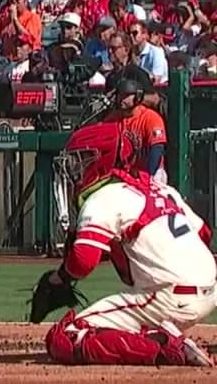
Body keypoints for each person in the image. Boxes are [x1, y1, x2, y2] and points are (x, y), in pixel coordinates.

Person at [39, 121, 215, 366]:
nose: (75, 170)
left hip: (166, 298)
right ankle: (161, 336)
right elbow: (204, 233)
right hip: (209, 293)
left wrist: (60, 277)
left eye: (83, 159)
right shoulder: (163, 190)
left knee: (66, 337)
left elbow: (83, 261)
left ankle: (164, 347)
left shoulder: (103, 196)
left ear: (104, 159)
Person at [104, 78, 167, 184]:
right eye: (120, 95)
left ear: (137, 97)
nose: (121, 99)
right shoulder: (113, 118)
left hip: (151, 172)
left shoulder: (151, 117)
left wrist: (148, 176)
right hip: (124, 172)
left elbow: (157, 149)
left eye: (126, 96)